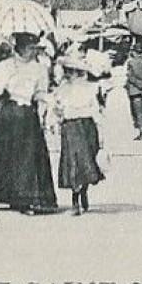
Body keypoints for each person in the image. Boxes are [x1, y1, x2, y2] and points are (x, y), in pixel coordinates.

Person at [0, 32, 58, 215]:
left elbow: (40, 92)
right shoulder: (6, 66)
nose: (33, 52)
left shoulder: (39, 68)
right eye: (30, 48)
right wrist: (6, 82)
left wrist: (48, 103)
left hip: (28, 113)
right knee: (10, 154)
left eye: (35, 48)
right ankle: (15, 196)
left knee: (29, 156)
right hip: (10, 113)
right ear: (20, 48)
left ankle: (30, 196)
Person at [52, 54, 106, 215]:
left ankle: (83, 192)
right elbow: (56, 110)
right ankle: (75, 200)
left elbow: (96, 111)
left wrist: (101, 133)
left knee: (87, 160)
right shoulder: (62, 89)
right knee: (74, 161)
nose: (70, 74)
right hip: (71, 127)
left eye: (73, 71)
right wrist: (57, 115)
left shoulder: (90, 88)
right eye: (68, 71)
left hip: (87, 126)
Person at [124, 43, 142, 141]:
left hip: (135, 90)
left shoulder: (131, 63)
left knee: (138, 112)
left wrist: (140, 85)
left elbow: (130, 76)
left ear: (134, 52)